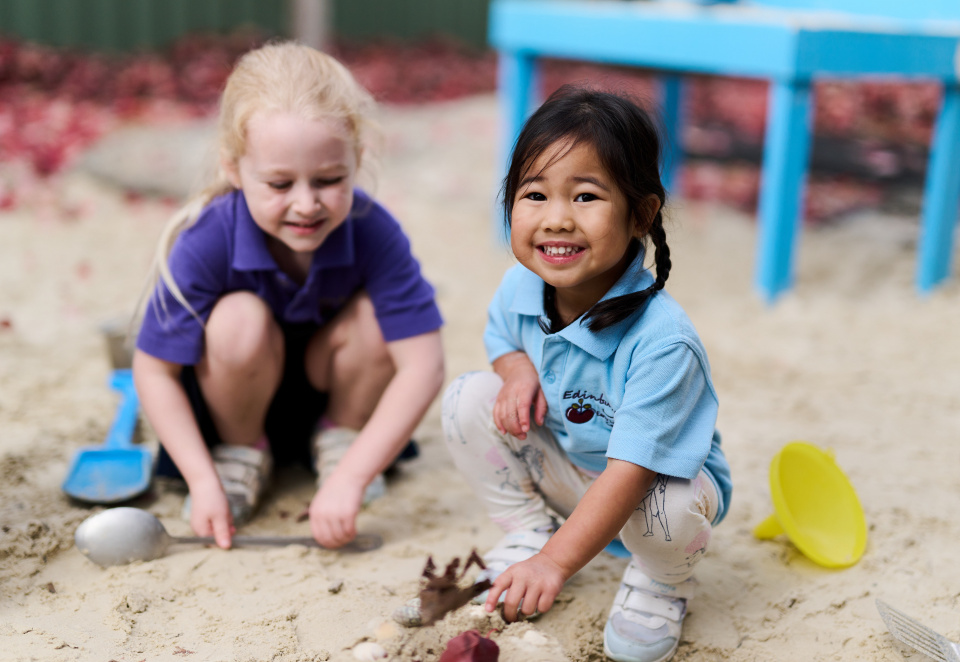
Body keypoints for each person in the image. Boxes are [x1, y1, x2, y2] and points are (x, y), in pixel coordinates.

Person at [441, 85, 732, 662]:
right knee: (469, 398)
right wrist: (518, 370)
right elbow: (501, 338)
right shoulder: (521, 286)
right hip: (573, 470)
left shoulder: (662, 342)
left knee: (664, 512)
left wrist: (556, 567)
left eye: (586, 196)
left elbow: (631, 471)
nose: (557, 220)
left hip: (653, 488)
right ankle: (530, 528)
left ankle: (662, 581)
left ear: (640, 215)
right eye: (534, 194)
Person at [133, 42, 444, 552]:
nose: (306, 204)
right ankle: (241, 454)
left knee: (375, 321)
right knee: (238, 318)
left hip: (335, 392)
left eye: (330, 179)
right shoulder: (206, 238)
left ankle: (340, 444)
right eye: (279, 183)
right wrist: (201, 479)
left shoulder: (374, 231)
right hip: (234, 400)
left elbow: (424, 364)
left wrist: (352, 477)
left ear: (357, 160)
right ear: (234, 169)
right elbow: (153, 370)